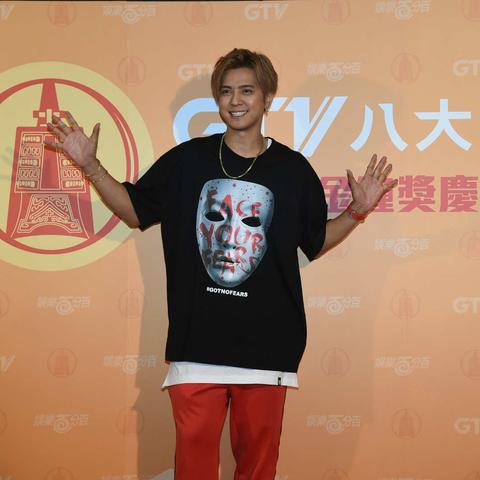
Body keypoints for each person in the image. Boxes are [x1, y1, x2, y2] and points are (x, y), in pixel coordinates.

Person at [45, 48, 397, 480]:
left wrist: (357, 211)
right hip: (197, 347)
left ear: (267, 98)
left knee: (258, 469)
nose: (235, 100)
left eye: (247, 90)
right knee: (193, 468)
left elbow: (315, 241)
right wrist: (90, 166)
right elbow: (136, 211)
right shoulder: (187, 161)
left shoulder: (293, 170)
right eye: (226, 91)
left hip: (269, 348)